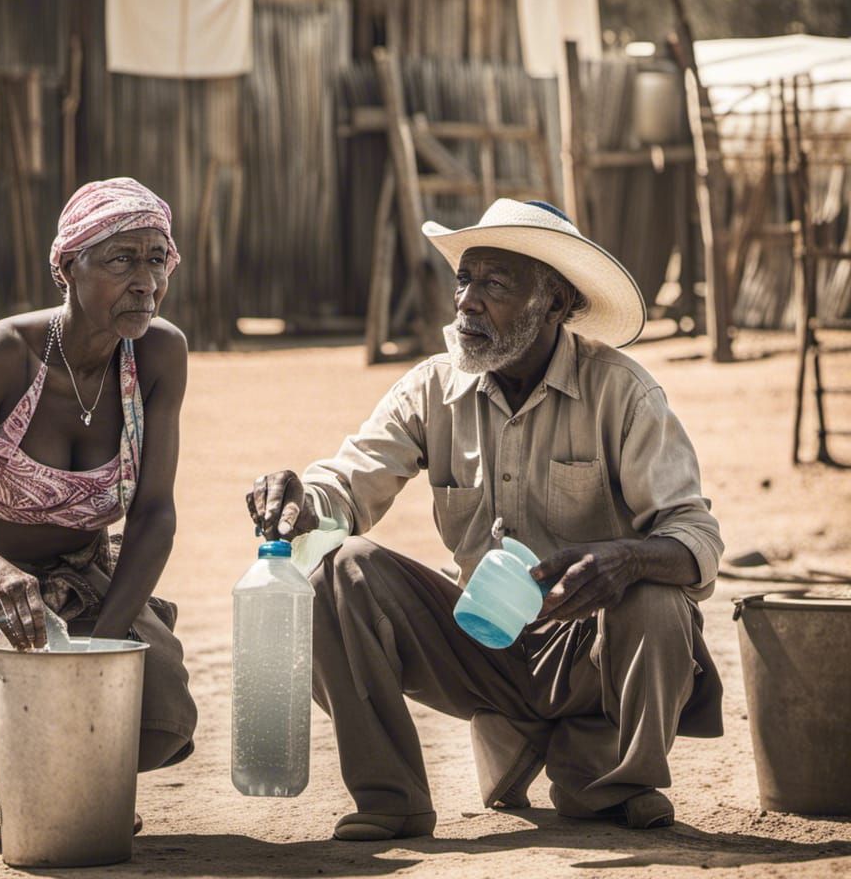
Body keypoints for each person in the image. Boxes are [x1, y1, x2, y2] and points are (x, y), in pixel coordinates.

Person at [247, 198, 723, 840]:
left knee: (660, 595)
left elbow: (695, 536)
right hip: (480, 641)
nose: (467, 302)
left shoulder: (622, 392)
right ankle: (393, 798)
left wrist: (626, 558)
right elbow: (346, 484)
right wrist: (304, 498)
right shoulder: (430, 388)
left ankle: (615, 783)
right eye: (464, 281)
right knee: (339, 568)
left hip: (588, 650)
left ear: (554, 304)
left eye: (495, 285)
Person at [0, 177, 198, 837]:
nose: (145, 282)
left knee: (163, 715)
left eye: (157, 259)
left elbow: (154, 514)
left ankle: (45, 772)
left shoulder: (158, 355)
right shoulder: (1, 355)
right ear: (65, 266)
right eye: (121, 260)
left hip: (89, 580)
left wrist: (105, 639)